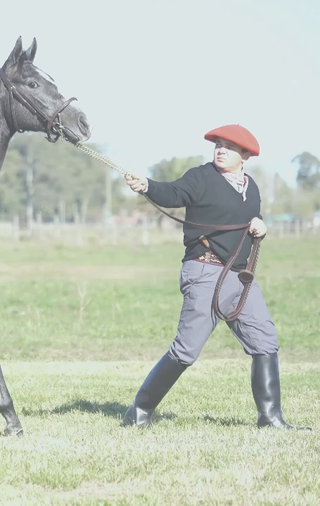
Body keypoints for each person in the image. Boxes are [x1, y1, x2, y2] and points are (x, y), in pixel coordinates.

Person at [121, 124, 308, 430]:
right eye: (218, 145)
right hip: (205, 271)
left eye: (229, 147)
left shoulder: (252, 188)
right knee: (186, 350)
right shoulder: (201, 176)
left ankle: (270, 418)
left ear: (245, 155)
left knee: (265, 341)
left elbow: (251, 219)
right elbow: (173, 192)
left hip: (240, 277)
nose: (221, 150)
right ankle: (138, 412)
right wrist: (147, 186)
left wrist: (261, 226)